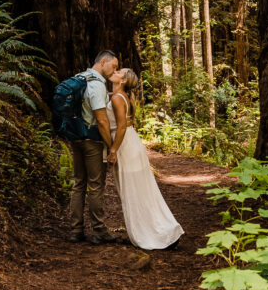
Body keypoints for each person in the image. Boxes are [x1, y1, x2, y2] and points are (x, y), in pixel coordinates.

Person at [107, 69, 183, 250]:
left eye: (119, 71)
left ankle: (154, 233)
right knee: (141, 189)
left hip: (125, 146)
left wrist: (113, 150)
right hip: (132, 144)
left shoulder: (118, 98)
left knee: (134, 191)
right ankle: (162, 229)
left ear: (123, 80)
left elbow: (122, 127)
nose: (115, 71)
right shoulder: (121, 95)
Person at [68, 49, 122, 244]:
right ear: (103, 62)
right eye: (113, 66)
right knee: (96, 185)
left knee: (78, 183)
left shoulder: (80, 77)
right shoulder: (97, 84)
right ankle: (99, 230)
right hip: (91, 140)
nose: (114, 70)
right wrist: (111, 146)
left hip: (76, 137)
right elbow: (101, 119)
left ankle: (76, 230)